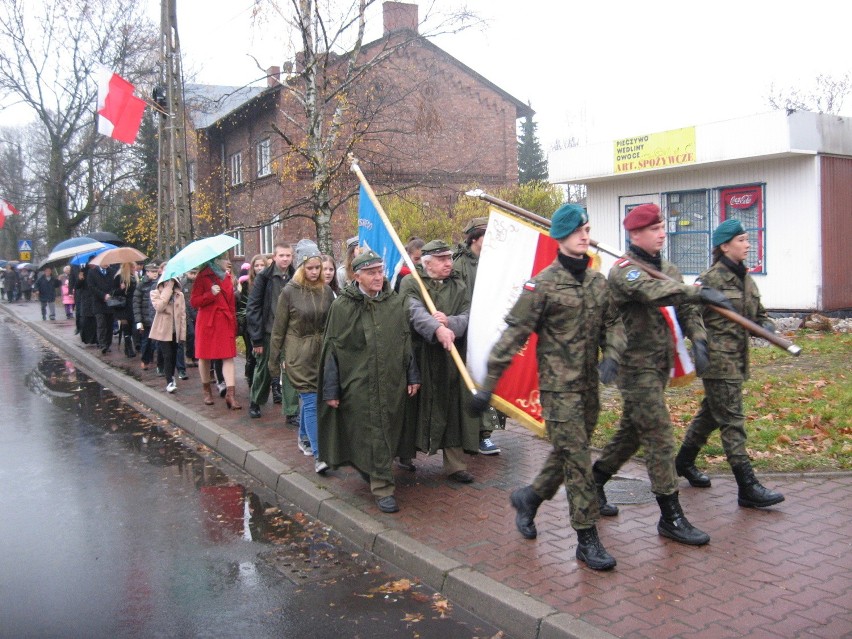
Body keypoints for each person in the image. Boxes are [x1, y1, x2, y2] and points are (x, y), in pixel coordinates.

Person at [471, 205, 625, 570]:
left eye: (586, 229)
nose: (584, 236)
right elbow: (513, 336)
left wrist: (612, 355)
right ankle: (586, 539)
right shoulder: (542, 284)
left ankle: (530, 497)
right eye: (576, 231)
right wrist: (487, 387)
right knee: (577, 461)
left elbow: (614, 323)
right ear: (560, 237)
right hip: (558, 392)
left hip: (589, 388)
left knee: (569, 453)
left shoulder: (596, 282)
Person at [593, 203, 734, 547]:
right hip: (634, 368)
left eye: (661, 227)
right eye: (654, 229)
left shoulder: (668, 268)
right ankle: (670, 516)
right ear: (635, 234)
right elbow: (654, 293)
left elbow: (685, 308)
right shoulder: (624, 271)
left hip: (660, 365)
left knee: (631, 434)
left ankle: (593, 481)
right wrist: (697, 291)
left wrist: (699, 339)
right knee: (658, 436)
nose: (661, 234)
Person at [675, 219, 785, 508]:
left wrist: (767, 326)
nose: (748, 244)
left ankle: (683, 461)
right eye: (742, 240)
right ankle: (747, 486)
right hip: (717, 361)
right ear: (724, 246)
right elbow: (689, 312)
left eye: (748, 239)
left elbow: (758, 314)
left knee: (711, 414)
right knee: (732, 421)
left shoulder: (745, 278)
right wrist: (698, 342)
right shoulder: (710, 279)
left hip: (738, 359)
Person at [318, 250, 420, 512]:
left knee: (386, 431)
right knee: (367, 432)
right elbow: (331, 349)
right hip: (358, 385)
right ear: (357, 276)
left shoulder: (393, 302)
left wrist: (412, 374)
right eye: (371, 272)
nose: (378, 277)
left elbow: (404, 340)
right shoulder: (342, 306)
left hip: (391, 383)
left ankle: (376, 472)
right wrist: (331, 389)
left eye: (380, 271)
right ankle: (383, 487)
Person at [399, 239, 479, 483]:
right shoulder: (411, 282)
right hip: (419, 355)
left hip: (449, 358)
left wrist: (450, 323)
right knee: (412, 407)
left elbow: (468, 314)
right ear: (427, 263)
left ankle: (455, 465)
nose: (448, 263)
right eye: (442, 259)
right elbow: (413, 311)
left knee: (452, 408)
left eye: (449, 258)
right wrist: (436, 328)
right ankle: (404, 453)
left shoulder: (458, 285)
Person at [268, 240, 335, 473]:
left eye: (318, 267)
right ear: (301, 268)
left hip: (321, 353)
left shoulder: (326, 292)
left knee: (315, 401)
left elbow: (332, 324)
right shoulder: (289, 292)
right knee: (310, 401)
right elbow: (278, 329)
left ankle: (304, 438)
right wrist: (274, 363)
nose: (315, 272)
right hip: (298, 354)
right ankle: (320, 456)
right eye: (310, 268)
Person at [453, 217, 504, 455]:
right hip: (469, 332)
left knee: (491, 378)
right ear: (475, 238)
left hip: (491, 331)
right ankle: (472, 433)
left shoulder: (496, 260)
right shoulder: (460, 265)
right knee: (470, 383)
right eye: (487, 235)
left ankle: (486, 433)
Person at [246, 242, 297, 419]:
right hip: (268, 333)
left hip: (290, 334)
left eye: (288, 255)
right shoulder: (264, 278)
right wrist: (257, 339)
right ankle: (256, 400)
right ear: (274, 257)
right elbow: (253, 308)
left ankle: (291, 411)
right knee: (265, 369)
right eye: (281, 255)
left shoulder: (296, 276)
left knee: (290, 370)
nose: (285, 259)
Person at [192, 252, 242, 409]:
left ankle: (230, 395)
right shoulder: (202, 276)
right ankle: (207, 390)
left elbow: (231, 303)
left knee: (228, 357)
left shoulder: (227, 277)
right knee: (204, 356)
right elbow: (194, 301)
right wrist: (209, 294)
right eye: (224, 259)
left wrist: (233, 324)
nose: (227, 262)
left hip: (225, 321)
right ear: (215, 260)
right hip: (207, 322)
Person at [149, 276, 186, 394]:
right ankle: (169, 381)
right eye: (167, 282)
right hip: (163, 331)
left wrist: (183, 334)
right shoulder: (155, 293)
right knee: (167, 355)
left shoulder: (179, 295)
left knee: (174, 354)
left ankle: (171, 376)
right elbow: (159, 307)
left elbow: (183, 315)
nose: (170, 284)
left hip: (176, 330)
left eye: (172, 282)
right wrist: (167, 289)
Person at [239, 254, 267, 386]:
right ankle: (251, 379)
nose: (260, 268)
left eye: (262, 265)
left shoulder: (270, 281)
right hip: (251, 324)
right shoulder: (247, 284)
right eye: (257, 265)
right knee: (252, 354)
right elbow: (244, 304)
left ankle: (272, 386)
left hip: (266, 322)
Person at [133, 264, 160, 370]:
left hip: (156, 317)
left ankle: (158, 362)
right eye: (152, 272)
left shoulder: (159, 284)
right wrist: (139, 321)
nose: (154, 274)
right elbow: (136, 303)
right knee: (146, 341)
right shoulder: (141, 285)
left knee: (157, 342)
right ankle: (145, 360)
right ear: (147, 272)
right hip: (145, 318)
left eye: (156, 272)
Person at [87, 262, 118, 354]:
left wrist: (111, 294)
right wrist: (103, 295)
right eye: (105, 262)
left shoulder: (112, 272)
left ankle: (108, 344)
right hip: (98, 302)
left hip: (110, 302)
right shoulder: (92, 272)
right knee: (101, 324)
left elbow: (115, 285)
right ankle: (102, 344)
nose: (106, 264)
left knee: (109, 325)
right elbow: (91, 287)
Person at [112, 262, 137, 358]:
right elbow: (113, 292)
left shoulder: (134, 277)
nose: (134, 268)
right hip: (123, 306)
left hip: (132, 305)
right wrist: (121, 289)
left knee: (131, 327)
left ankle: (128, 347)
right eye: (132, 267)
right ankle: (128, 348)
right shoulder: (119, 277)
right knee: (126, 326)